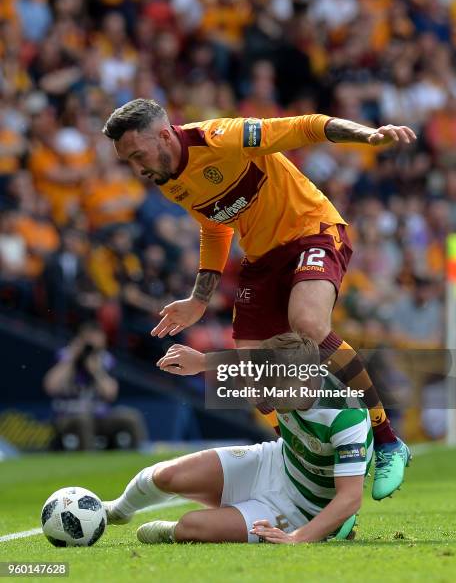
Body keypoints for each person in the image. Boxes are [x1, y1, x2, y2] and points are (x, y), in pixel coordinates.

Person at [102, 98, 415, 499]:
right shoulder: (168, 181)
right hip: (262, 260)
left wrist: (367, 136)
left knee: (309, 324)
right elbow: (215, 227)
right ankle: (296, 461)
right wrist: (200, 300)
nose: (137, 167)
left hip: (311, 231)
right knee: (253, 378)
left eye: (137, 154)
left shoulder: (222, 138)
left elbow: (307, 124)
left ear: (164, 135)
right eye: (128, 160)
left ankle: (387, 439)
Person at [104, 333, 372, 544]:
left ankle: (172, 532)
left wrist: (296, 538)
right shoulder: (286, 369)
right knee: (165, 476)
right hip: (273, 461)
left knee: (190, 526)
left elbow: (350, 498)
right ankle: (116, 510)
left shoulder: (345, 415)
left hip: (300, 511)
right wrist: (201, 362)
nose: (267, 396)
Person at [43, 322, 147, 450]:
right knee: (83, 421)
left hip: (99, 416)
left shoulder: (104, 360)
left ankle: (139, 461)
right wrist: (72, 358)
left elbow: (111, 394)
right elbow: (50, 387)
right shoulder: (66, 356)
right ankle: (88, 463)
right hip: (68, 416)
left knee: (131, 417)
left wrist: (96, 371)